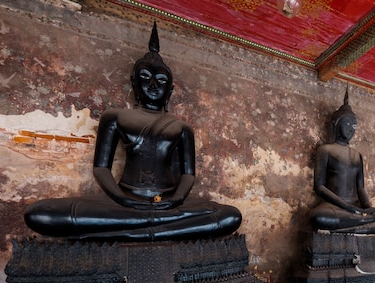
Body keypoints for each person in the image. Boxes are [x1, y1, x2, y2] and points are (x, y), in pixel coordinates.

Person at [25, 23, 241, 241]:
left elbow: (188, 174)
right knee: (41, 214)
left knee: (229, 215)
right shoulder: (115, 116)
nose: (154, 84)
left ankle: (131, 232)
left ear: (170, 90)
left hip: (168, 204)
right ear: (134, 83)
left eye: (162, 80)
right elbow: (101, 168)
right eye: (146, 77)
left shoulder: (182, 128)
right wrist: (123, 199)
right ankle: (155, 229)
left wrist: (176, 200)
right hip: (125, 202)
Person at [309, 89, 375, 234]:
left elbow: (360, 188)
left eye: (354, 125)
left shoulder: (357, 155)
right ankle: (366, 226)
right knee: (318, 217)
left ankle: (356, 226)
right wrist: (348, 208)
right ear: (336, 124)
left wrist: (367, 207)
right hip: (334, 207)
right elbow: (319, 187)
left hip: (357, 208)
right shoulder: (325, 150)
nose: (351, 129)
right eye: (347, 124)